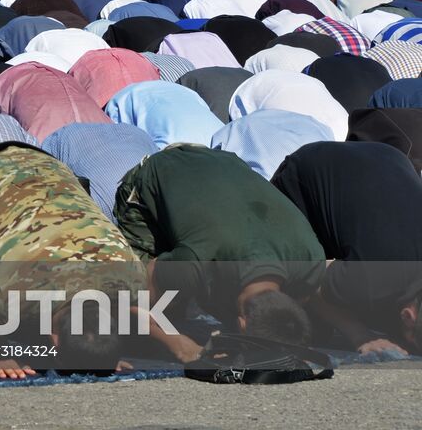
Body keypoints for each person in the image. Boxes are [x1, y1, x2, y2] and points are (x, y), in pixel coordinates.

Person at [0, 142, 147, 375]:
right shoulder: (10, 297)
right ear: (53, 339)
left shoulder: (134, 280)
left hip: (52, 167)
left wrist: (99, 353)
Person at [114, 143, 326, 363]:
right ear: (241, 324)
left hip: (223, 163)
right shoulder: (193, 266)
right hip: (159, 171)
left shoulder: (312, 262)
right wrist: (176, 343)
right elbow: (130, 304)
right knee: (141, 330)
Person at [271, 141, 422, 356]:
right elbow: (308, 274)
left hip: (388, 156)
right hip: (307, 171)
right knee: (303, 327)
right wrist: (360, 335)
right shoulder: (372, 281)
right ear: (408, 316)